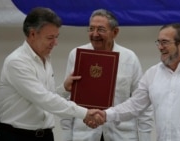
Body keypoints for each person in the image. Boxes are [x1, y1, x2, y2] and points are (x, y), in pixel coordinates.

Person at [85, 23, 180, 141]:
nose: (160, 47)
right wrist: (106, 114)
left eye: (165, 42)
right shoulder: (152, 74)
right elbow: (134, 105)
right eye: (158, 42)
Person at [0, 7, 102, 141]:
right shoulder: (17, 62)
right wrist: (85, 113)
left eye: (56, 37)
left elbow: (44, 100)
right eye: (50, 38)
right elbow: (44, 99)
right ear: (32, 34)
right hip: (16, 136)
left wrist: (63, 89)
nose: (55, 43)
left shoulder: (45, 58)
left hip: (45, 135)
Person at [60, 9, 154, 141]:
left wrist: (145, 137)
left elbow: (142, 102)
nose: (95, 34)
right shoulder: (76, 55)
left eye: (101, 29)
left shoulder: (129, 58)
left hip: (122, 135)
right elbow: (68, 100)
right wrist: (66, 136)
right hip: (84, 134)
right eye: (91, 29)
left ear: (115, 32)